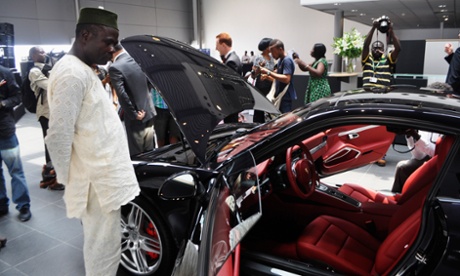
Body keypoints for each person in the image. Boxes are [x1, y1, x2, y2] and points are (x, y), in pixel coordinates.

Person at [44, 7, 140, 275]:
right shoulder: (72, 74)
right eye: (108, 42)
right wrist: (69, 179)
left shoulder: (84, 69)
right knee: (102, 250)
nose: (112, 49)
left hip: (101, 176)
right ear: (85, 35)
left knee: (107, 244)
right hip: (95, 181)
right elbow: (59, 136)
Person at [28, 46, 65, 191]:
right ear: (33, 56)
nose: (44, 54)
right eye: (40, 52)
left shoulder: (51, 68)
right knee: (50, 147)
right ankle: (50, 179)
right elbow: (50, 86)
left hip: (58, 113)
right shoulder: (34, 71)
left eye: (44, 51)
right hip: (46, 113)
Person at [109, 43, 156, 155]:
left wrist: (134, 114)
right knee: (150, 152)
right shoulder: (138, 60)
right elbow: (150, 83)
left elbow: (122, 95)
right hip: (149, 111)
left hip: (137, 117)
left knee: (137, 154)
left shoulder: (115, 67)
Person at [0, 65, 32, 222]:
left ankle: (23, 205)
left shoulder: (4, 73)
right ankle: (1, 204)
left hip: (5, 131)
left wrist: (3, 103)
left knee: (15, 170)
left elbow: (17, 97)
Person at [361, 18, 401, 91]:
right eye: (375, 48)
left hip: (382, 93)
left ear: (383, 50)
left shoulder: (388, 59)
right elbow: (366, 45)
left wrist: (391, 31)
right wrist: (373, 28)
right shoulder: (367, 59)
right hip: (367, 93)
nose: (377, 50)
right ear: (371, 49)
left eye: (379, 48)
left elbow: (398, 49)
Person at [259, 39, 297, 113]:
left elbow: (286, 79)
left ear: (280, 49)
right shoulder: (280, 60)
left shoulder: (287, 60)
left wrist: (268, 72)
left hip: (285, 97)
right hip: (281, 96)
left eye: (273, 52)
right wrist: (267, 76)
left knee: (285, 121)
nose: (272, 55)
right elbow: (277, 78)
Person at [216, 32, 243, 123]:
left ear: (223, 45)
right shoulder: (233, 58)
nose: (216, 48)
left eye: (217, 45)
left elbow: (229, 85)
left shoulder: (231, 62)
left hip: (231, 103)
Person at [251, 37, 275, 123]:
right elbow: (253, 75)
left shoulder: (272, 57)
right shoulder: (259, 57)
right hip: (261, 85)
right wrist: (259, 68)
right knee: (259, 108)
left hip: (270, 85)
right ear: (266, 47)